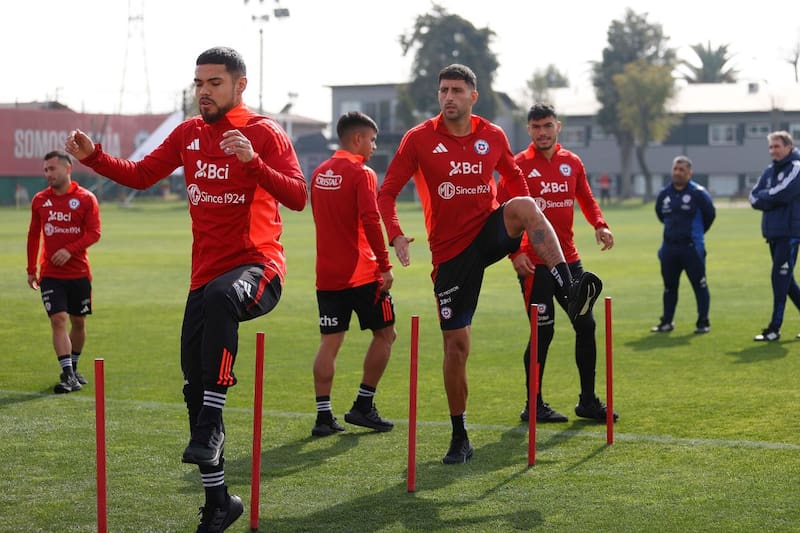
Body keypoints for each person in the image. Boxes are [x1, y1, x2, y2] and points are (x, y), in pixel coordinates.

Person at [65, 46, 307, 533]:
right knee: (193, 386)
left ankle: (213, 424)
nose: (203, 92)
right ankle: (220, 501)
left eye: (213, 82)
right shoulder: (188, 134)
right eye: (198, 83)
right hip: (204, 280)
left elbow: (299, 197)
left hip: (259, 269)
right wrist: (94, 157)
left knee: (222, 305)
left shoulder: (263, 132)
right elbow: (141, 174)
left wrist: (255, 163)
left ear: (239, 85)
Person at [377, 64, 602, 465]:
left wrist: (518, 241)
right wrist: (395, 234)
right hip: (450, 255)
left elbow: (516, 183)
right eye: (443, 90)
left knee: (526, 206)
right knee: (457, 346)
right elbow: (387, 193)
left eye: (457, 90)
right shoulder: (419, 139)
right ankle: (459, 434)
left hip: (487, 232)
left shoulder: (492, 135)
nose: (449, 97)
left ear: (472, 96)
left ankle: (571, 288)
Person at [498, 103, 617, 425]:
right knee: (542, 333)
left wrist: (600, 224)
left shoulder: (571, 163)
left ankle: (588, 401)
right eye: (536, 127)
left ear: (558, 127)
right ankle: (533, 404)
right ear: (529, 130)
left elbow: (587, 198)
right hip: (534, 267)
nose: (542, 132)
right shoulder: (518, 165)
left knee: (586, 325)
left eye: (547, 126)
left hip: (570, 263)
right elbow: (499, 211)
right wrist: (514, 253)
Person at [309, 111, 396, 437]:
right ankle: (363, 404)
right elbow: (371, 220)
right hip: (362, 273)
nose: (374, 146)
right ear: (357, 139)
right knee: (386, 334)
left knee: (329, 343)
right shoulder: (362, 173)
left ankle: (323, 416)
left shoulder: (318, 173)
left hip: (327, 275)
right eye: (372, 140)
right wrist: (385, 265)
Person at [26, 150, 101, 394]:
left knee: (78, 323)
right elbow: (33, 235)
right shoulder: (39, 200)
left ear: (67, 169)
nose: (48, 174)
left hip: (79, 272)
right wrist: (31, 268)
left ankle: (74, 365)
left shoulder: (86, 198)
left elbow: (94, 232)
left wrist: (70, 250)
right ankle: (68, 374)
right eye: (45, 170)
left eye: (52, 169)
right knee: (58, 320)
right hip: (50, 274)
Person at [651, 156, 716, 335]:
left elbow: (710, 215)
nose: (677, 173)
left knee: (699, 284)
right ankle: (667, 322)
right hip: (669, 248)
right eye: (675, 169)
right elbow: (660, 214)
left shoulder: (698, 193)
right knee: (669, 286)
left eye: (682, 170)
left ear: (689, 173)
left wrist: (697, 235)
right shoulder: (665, 194)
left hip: (692, 247)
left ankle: (703, 322)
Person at [749, 131, 800, 341]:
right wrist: (769, 198)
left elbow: (783, 193)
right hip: (773, 233)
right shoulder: (769, 170)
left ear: (788, 146)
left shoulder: (797, 167)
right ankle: (774, 327)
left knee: (779, 280)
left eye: (777, 146)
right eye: (770, 147)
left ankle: (773, 329)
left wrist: (766, 198)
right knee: (787, 282)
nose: (773, 151)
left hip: (789, 234)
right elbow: (753, 197)